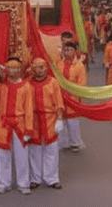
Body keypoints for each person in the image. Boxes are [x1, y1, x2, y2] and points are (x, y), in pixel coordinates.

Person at [0, 58, 35, 195]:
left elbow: (29, 109)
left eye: (15, 68)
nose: (12, 71)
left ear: (20, 70)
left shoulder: (26, 86)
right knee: (2, 155)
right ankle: (3, 183)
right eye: (10, 68)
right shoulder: (1, 85)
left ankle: (24, 183)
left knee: (22, 155)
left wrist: (29, 128)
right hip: (4, 123)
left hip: (20, 123)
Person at [27, 58, 65, 190]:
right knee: (34, 151)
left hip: (50, 119)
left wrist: (59, 119)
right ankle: (34, 178)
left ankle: (52, 179)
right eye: (38, 67)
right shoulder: (27, 83)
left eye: (43, 67)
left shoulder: (53, 82)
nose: (41, 70)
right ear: (33, 69)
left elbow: (59, 102)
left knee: (51, 150)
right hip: (34, 121)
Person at [58, 41, 86, 152]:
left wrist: (73, 93)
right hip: (60, 96)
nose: (67, 52)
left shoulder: (79, 65)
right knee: (62, 119)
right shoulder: (59, 63)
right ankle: (64, 142)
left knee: (72, 121)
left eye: (69, 49)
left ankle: (75, 142)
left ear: (75, 51)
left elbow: (81, 83)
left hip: (72, 97)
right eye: (65, 49)